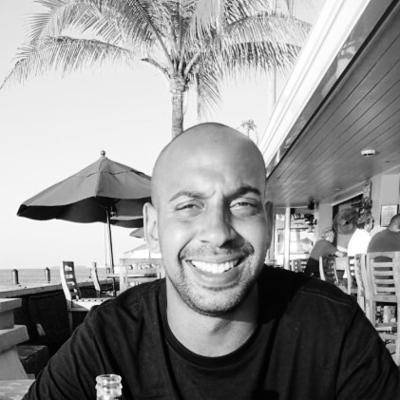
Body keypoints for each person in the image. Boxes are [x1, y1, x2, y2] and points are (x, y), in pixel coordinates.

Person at [24, 123, 399, 400]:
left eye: (243, 204)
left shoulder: (332, 329)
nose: (218, 232)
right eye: (189, 205)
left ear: (268, 223)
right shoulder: (109, 340)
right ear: (153, 227)